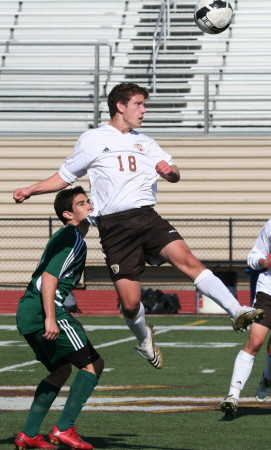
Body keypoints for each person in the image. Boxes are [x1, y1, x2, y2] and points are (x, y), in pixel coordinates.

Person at [13, 82, 264, 371]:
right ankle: (145, 339)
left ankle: (236, 311)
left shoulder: (146, 141)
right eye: (138, 104)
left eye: (144, 105)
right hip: (114, 227)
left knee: (189, 261)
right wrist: (31, 190)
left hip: (146, 217)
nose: (143, 111)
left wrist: (172, 173)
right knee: (130, 304)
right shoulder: (92, 139)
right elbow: (64, 176)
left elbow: (173, 172)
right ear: (120, 106)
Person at [15, 186, 103, 450]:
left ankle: (29, 433)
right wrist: (52, 318)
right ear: (68, 214)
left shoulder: (66, 236)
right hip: (44, 310)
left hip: (28, 311)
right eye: (81, 203)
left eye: (88, 201)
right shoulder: (73, 239)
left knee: (61, 369)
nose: (89, 205)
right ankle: (64, 428)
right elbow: (49, 278)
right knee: (93, 365)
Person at [221, 219, 271, 416]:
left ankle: (267, 379)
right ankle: (232, 396)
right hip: (268, 292)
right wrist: (264, 262)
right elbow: (254, 255)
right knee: (255, 342)